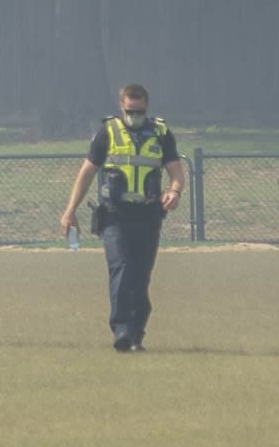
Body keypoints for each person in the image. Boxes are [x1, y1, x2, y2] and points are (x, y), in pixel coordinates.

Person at [60, 84, 186, 352]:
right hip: (114, 216)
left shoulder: (161, 134)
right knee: (122, 267)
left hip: (149, 216)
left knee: (141, 277)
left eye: (139, 111)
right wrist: (70, 210)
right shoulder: (107, 133)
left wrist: (174, 192)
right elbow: (86, 173)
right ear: (121, 107)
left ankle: (136, 332)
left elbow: (176, 172)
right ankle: (121, 330)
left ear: (147, 108)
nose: (134, 116)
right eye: (130, 111)